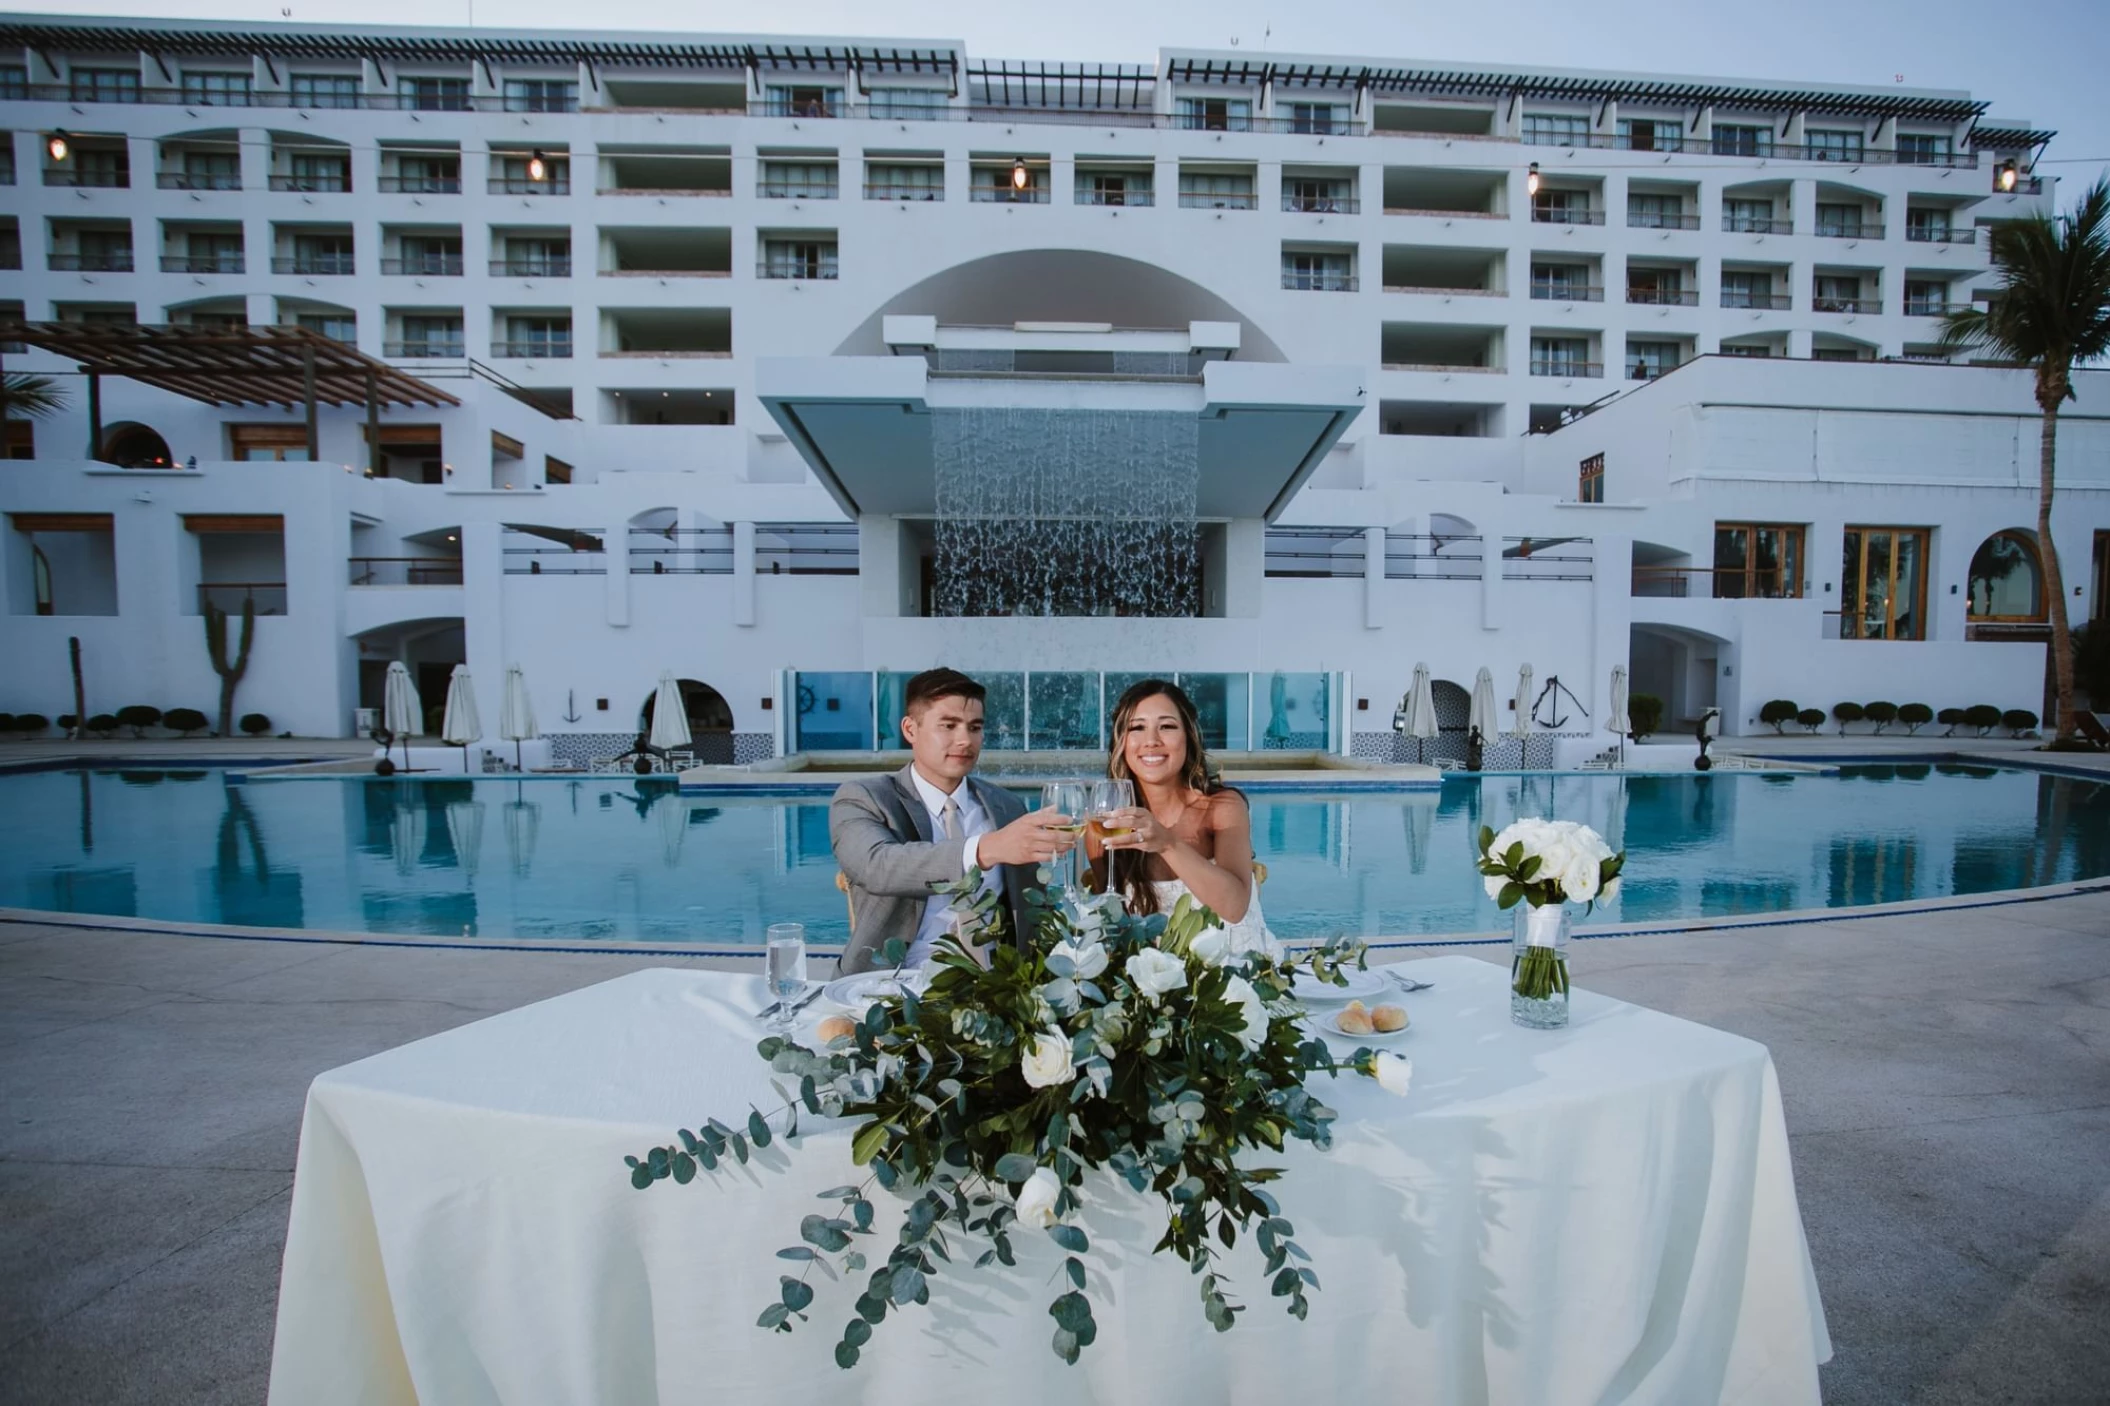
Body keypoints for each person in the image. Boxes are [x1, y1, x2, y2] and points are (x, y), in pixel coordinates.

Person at [829, 668, 1077, 974]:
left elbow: (1033, 908)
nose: (965, 740)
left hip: (994, 987)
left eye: (975, 727)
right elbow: (877, 866)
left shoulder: (1006, 805)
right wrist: (985, 850)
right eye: (948, 726)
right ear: (910, 729)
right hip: (892, 985)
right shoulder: (864, 798)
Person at [1087, 678, 1281, 959]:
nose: (1151, 741)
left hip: (1236, 974)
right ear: (1122, 742)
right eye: (1137, 728)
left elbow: (1235, 907)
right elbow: (1111, 923)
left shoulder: (1222, 808)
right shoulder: (1106, 824)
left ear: (1188, 737)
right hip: (1153, 984)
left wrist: (1167, 843)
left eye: (1166, 726)